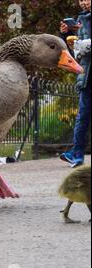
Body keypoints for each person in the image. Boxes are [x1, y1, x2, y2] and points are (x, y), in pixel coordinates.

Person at [60, 0, 91, 167]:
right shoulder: (80, 20)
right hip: (86, 76)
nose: (84, 2)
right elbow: (74, 54)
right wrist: (66, 35)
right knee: (83, 116)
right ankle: (77, 154)